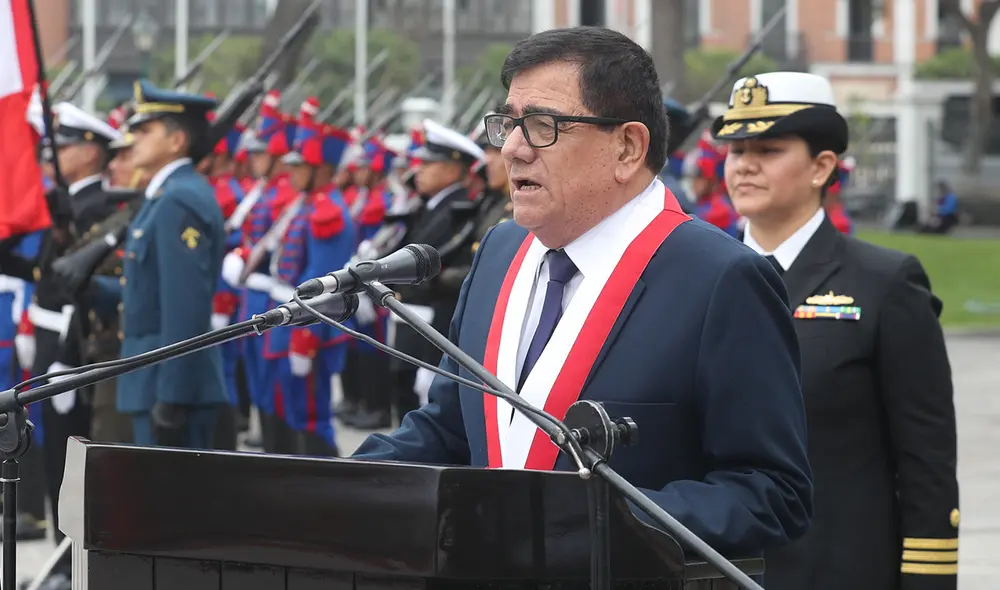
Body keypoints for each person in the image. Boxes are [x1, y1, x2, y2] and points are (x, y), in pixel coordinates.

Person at [352, 27, 812, 560]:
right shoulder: (500, 251)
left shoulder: (720, 279)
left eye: (544, 126)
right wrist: (341, 488)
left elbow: (770, 492)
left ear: (627, 146)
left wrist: (584, 527)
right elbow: (452, 427)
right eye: (509, 124)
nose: (514, 150)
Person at [713, 71, 959, 589]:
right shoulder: (698, 279)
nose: (745, 165)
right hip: (719, 569)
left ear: (822, 166)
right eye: (736, 151)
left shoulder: (885, 283)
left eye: (769, 148)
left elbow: (925, 465)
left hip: (840, 570)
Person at [114, 80, 227, 449]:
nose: (135, 139)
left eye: (146, 130)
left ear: (177, 141)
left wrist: (173, 395)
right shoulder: (166, 195)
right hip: (152, 377)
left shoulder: (178, 200)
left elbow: (186, 305)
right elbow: (152, 289)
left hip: (170, 385)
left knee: (171, 505)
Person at [389, 118, 486, 423]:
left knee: (419, 409)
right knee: (404, 399)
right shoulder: (431, 206)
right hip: (411, 315)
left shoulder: (458, 210)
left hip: (431, 318)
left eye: (429, 164)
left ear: (453, 169)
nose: (420, 170)